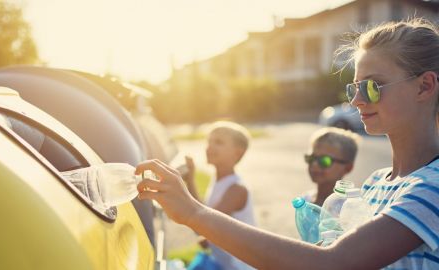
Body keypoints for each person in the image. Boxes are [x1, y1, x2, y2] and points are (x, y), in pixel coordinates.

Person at [136, 18, 439, 269]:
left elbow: (334, 264)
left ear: (424, 86)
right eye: (353, 87)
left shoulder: (433, 186)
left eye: (372, 87)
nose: (357, 100)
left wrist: (193, 213)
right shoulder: (375, 182)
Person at [180, 121, 256, 270]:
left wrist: (206, 237)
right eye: (209, 141)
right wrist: (190, 180)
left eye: (218, 142)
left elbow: (205, 223)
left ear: (237, 152)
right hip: (222, 263)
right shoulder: (218, 181)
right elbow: (202, 212)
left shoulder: (236, 189)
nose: (209, 147)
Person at [302, 127, 360, 206]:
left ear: (348, 168)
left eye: (325, 161)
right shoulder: (306, 199)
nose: (314, 164)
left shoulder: (347, 207)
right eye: (311, 158)